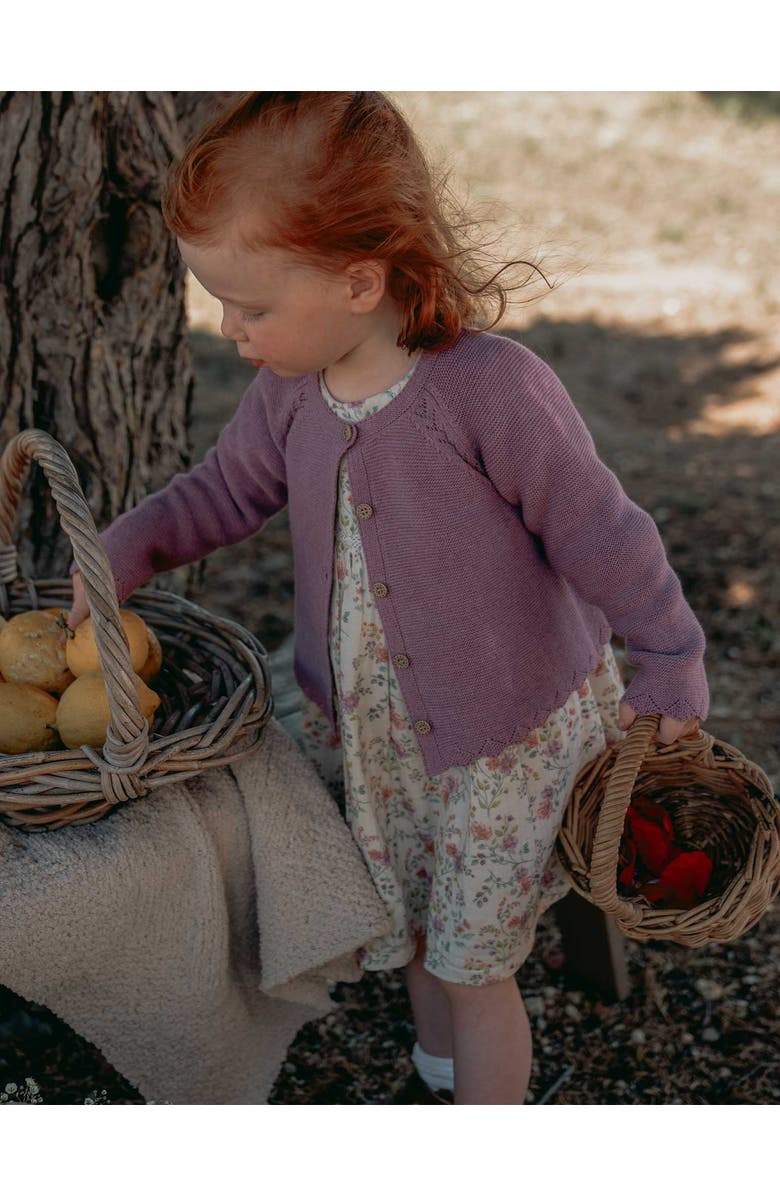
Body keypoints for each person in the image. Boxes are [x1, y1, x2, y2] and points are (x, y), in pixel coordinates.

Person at [67, 92, 709, 1105]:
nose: (231, 330)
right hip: (378, 736)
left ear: (359, 281)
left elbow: (601, 529)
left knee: (472, 963)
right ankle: (436, 1069)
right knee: (414, 917)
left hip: (500, 738)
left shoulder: (489, 390)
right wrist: (128, 545)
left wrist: (671, 653)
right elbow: (226, 489)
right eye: (220, 305)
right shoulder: (294, 389)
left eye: (251, 305)